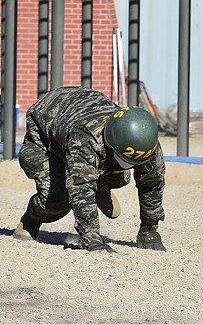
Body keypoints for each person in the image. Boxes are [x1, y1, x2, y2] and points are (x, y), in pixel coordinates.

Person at [13, 87, 166, 252]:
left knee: (121, 177)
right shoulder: (85, 136)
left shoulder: (146, 141)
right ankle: (31, 220)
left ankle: (100, 186)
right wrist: (92, 239)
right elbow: (80, 187)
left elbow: (152, 184)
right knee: (59, 198)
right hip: (44, 140)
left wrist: (149, 229)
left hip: (80, 116)